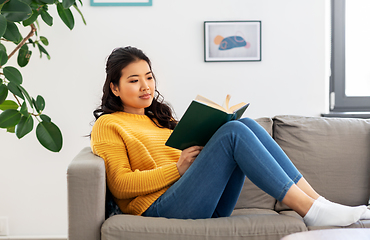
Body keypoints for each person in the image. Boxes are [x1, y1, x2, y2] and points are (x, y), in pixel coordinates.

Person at [90, 46, 370, 227]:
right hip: (158, 209)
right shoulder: (109, 125)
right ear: (114, 88)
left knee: (244, 124)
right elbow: (120, 184)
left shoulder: (161, 119)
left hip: (198, 201)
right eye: (134, 80)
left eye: (149, 77)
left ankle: (319, 203)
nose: (145, 86)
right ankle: (311, 211)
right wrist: (176, 169)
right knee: (234, 132)